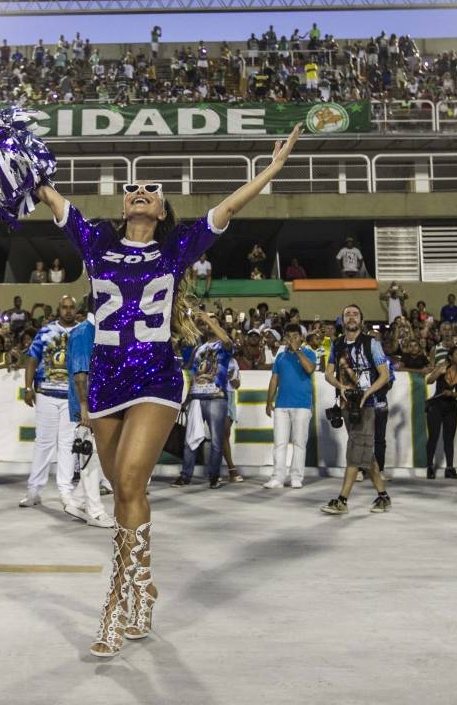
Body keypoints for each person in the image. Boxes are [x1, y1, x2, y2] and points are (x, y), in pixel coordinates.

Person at [37, 123, 302, 658]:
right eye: (133, 186)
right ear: (124, 205)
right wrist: (24, 167)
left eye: (152, 189)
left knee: (130, 480)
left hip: (155, 378)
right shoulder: (97, 241)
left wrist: (271, 169)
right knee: (124, 494)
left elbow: (229, 207)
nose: (141, 190)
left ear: (162, 210)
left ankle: (116, 604)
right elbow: (50, 195)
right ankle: (144, 588)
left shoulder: (177, 247)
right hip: (107, 380)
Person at [320, 304, 392, 515]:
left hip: (366, 406)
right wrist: (340, 386)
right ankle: (383, 496)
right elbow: (328, 374)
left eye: (355, 314)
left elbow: (385, 375)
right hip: (346, 405)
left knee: (354, 451)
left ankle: (342, 500)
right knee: (364, 451)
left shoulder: (371, 343)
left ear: (361, 319)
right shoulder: (337, 344)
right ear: (342, 320)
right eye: (347, 314)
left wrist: (368, 392)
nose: (351, 317)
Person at [20, 295, 85, 508]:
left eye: (71, 307)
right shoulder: (46, 331)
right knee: (43, 442)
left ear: (76, 309)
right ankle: (34, 491)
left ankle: (65, 491)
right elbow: (32, 359)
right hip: (45, 394)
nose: (68, 311)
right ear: (59, 309)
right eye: (64, 307)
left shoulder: (83, 332)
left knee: (67, 444)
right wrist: (28, 388)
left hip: (71, 397)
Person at [64, 311, 114, 528]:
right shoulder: (85, 332)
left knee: (97, 455)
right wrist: (85, 407)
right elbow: (80, 374)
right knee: (90, 456)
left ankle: (77, 501)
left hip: (99, 404)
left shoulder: (98, 331)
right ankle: (94, 511)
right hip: (89, 406)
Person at [175, 312, 234, 489]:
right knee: (190, 438)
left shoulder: (224, 345)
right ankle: (186, 475)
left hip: (216, 397)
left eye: (212, 323)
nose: (208, 326)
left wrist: (209, 319)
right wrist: (188, 399)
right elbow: (194, 374)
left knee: (216, 440)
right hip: (196, 398)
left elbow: (226, 340)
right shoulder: (199, 349)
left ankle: (214, 477)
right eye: (206, 324)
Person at [264, 323, 318, 489]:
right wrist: (269, 402)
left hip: (302, 405)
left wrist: (298, 351)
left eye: (295, 336)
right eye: (289, 337)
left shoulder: (309, 353)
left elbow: (309, 369)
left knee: (299, 443)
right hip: (281, 405)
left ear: (301, 338)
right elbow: (274, 379)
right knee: (279, 443)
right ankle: (278, 478)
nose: (292, 339)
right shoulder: (280, 357)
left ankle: (296, 477)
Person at [425, 345, 457, 479]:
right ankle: (429, 467)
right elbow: (429, 381)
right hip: (436, 405)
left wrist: (452, 394)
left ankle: (449, 468)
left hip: (451, 407)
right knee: (433, 436)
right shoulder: (442, 366)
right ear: (450, 357)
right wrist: (438, 373)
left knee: (449, 438)